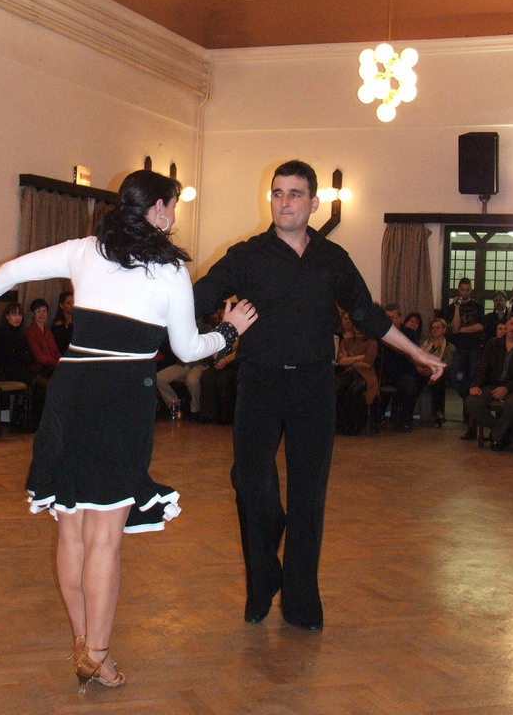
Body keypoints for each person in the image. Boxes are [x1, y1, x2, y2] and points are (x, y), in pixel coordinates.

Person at [0, 170, 257, 692]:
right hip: (121, 397)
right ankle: (97, 656)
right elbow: (188, 348)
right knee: (104, 537)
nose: (173, 216)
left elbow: (13, 269)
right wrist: (229, 330)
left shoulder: (85, 250)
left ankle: (84, 644)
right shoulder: (169, 270)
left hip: (72, 390)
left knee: (72, 528)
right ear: (155, 208)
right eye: (170, 206)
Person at [193, 159, 444, 632]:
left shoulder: (333, 259)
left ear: (313, 203)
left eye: (294, 194)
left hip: (313, 385)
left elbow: (367, 315)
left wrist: (417, 353)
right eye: (277, 193)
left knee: (309, 494)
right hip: (260, 382)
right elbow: (195, 297)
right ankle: (263, 578)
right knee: (250, 482)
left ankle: (301, 602)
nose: (284, 202)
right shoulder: (246, 256)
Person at [464, 312, 513, 451]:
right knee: (471, 401)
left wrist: (507, 388)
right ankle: (502, 432)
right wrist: (475, 385)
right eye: (511, 324)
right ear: (507, 324)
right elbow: (482, 367)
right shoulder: (493, 344)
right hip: (493, 385)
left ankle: (497, 436)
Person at [444, 278, 484, 426]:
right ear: (459, 290)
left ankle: (471, 413)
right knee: (456, 377)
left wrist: (462, 330)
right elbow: (454, 328)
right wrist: (456, 309)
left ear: (471, 290)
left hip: (474, 348)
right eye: (462, 290)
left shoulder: (477, 307)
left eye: (467, 290)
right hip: (458, 348)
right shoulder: (451, 308)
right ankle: (467, 401)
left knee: (474, 378)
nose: (465, 292)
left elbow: (480, 326)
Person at [335, 317, 378, 435]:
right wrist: (358, 358)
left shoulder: (371, 342)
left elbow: (367, 363)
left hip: (366, 375)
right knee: (334, 388)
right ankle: (341, 424)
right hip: (348, 374)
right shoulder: (346, 341)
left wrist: (349, 360)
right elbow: (340, 361)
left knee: (354, 389)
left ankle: (355, 426)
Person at [417, 318, 456, 427]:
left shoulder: (450, 347)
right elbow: (417, 358)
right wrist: (420, 368)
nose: (435, 329)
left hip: (438, 372)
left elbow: (446, 364)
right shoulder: (423, 343)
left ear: (444, 330)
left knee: (439, 378)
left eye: (437, 327)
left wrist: (432, 370)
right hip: (422, 370)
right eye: (433, 328)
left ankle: (437, 412)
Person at [25, 299, 62, 378]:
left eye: (44, 311)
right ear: (32, 313)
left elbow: (56, 351)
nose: (41, 314)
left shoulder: (48, 332)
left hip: (52, 366)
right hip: (39, 369)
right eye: (38, 311)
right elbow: (39, 358)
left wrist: (62, 361)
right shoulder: (30, 332)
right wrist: (56, 363)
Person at [52, 291, 75, 355]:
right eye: (68, 303)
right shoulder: (58, 325)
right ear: (61, 305)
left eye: (73, 303)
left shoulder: (78, 322)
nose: (72, 305)